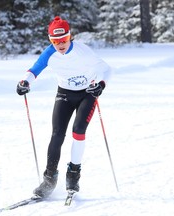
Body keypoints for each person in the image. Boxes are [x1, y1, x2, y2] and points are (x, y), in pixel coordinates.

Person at [16, 16, 111, 198]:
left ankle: (73, 175)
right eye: (55, 41)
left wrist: (101, 84)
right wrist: (25, 82)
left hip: (87, 93)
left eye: (64, 40)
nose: (60, 45)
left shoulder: (83, 51)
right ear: (51, 41)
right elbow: (34, 70)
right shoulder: (49, 53)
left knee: (78, 130)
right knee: (57, 134)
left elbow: (106, 69)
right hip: (65, 94)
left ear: (70, 37)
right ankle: (49, 179)